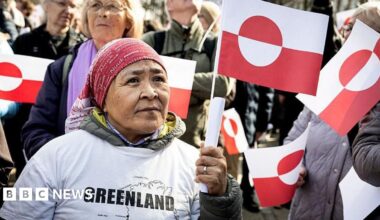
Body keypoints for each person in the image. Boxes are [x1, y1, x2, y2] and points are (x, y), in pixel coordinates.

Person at [0, 38, 242, 219]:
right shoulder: (55, 157)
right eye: (133, 80)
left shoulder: (194, 164)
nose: (151, 92)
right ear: (103, 98)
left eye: (158, 79)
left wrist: (219, 197)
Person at [287, 1, 380, 219]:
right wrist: (295, 167)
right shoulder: (329, 82)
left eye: (359, 32)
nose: (347, 37)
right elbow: (293, 138)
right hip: (309, 209)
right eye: (349, 28)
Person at [21, 0, 143, 159]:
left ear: (129, 19)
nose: (102, 13)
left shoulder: (148, 69)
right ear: (86, 16)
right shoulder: (61, 68)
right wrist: (66, 160)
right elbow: (36, 131)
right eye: (95, 5)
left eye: (112, 6)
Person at [142, 0, 235, 148]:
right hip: (156, 142)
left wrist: (172, 80)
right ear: (169, 4)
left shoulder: (215, 42)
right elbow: (142, 82)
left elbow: (223, 84)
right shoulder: (152, 41)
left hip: (198, 144)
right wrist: (199, 89)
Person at [232, 82, 273, 212]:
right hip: (229, 114)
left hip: (249, 116)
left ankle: (248, 195)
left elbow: (267, 92)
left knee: (249, 162)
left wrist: (262, 125)